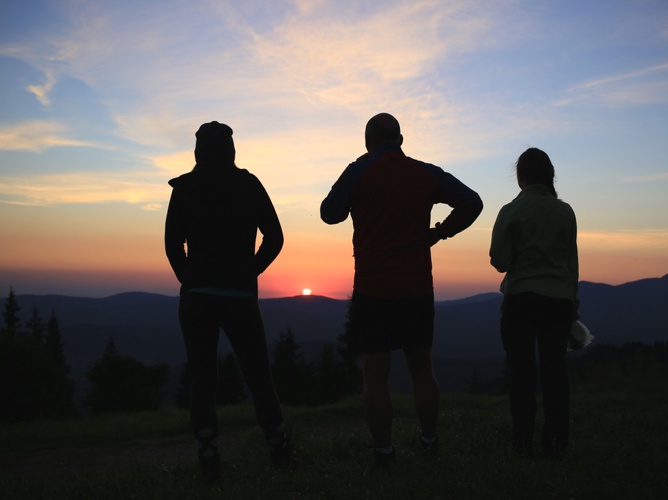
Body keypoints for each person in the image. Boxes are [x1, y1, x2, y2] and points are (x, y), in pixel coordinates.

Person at [320, 113, 483, 464]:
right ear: (401, 139)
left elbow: (329, 214)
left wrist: (354, 173)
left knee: (375, 377)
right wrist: (440, 232)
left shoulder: (360, 171)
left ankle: (384, 451)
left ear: (368, 141)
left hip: (373, 288)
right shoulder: (426, 173)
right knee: (422, 370)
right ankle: (429, 441)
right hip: (417, 288)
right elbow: (473, 202)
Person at [165, 121, 293, 481]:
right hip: (239, 295)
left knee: (202, 380)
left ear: (197, 151)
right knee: (259, 378)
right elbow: (276, 236)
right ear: (231, 149)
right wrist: (250, 271)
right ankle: (280, 455)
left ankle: (209, 462)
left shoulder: (185, 188)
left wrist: (189, 279)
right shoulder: (248, 185)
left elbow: (172, 244)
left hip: (196, 297)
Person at [489, 147, 579, 458]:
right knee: (555, 373)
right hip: (558, 302)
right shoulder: (565, 212)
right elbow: (572, 264)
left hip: (521, 301)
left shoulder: (510, 211)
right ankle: (555, 445)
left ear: (521, 177)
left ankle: (523, 443)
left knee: (522, 375)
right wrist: (573, 304)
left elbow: (499, 261)